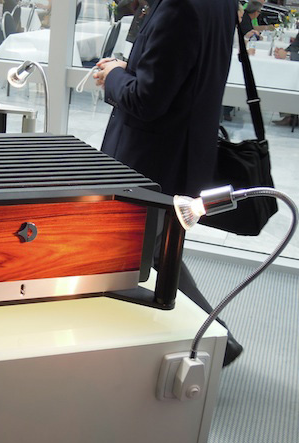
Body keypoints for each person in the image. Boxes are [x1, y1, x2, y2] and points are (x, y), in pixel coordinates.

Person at [94, 0, 244, 366]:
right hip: (184, 155)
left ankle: (209, 340)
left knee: (133, 257)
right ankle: (218, 337)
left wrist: (113, 76)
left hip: (153, 163)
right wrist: (130, 70)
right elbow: (180, 77)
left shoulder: (179, 6)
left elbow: (147, 101)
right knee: (163, 253)